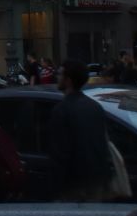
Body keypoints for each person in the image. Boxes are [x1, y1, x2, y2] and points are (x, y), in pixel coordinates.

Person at [46, 59, 119, 202]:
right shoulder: (95, 107)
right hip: (97, 180)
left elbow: (60, 152)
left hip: (73, 184)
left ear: (68, 80)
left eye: (60, 74)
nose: (57, 77)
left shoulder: (61, 110)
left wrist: (55, 185)